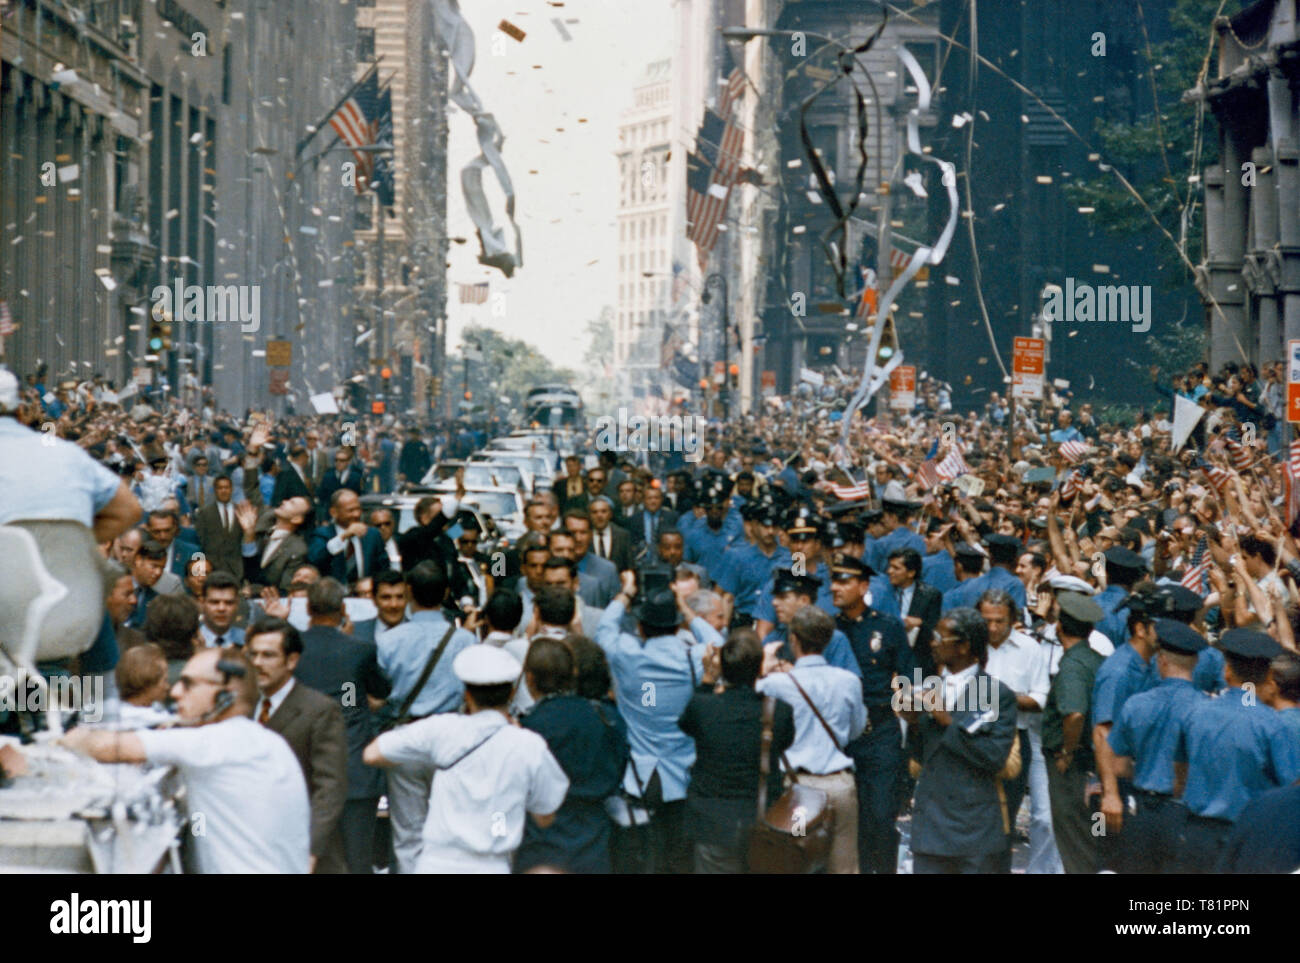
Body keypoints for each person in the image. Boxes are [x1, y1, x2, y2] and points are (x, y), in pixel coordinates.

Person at [60, 646, 311, 874]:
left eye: (188, 684)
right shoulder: (265, 743)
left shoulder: (218, 741)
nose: (176, 692)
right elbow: (204, 823)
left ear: (225, 696)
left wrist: (59, 740)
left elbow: (104, 746)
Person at [363, 645, 569, 873]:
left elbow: (372, 754)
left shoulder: (442, 729)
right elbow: (544, 815)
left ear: (467, 694)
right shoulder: (529, 745)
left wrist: (430, 757)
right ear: (511, 693)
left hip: (436, 864)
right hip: (492, 864)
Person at [595, 574, 717, 874]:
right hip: (683, 772)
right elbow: (719, 643)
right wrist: (687, 610)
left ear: (640, 626)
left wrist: (626, 592)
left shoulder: (626, 654)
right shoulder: (692, 657)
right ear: (678, 626)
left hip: (640, 774)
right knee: (679, 856)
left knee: (643, 855)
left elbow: (604, 629)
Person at [373, 562, 476, 873]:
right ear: (445, 593)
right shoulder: (464, 641)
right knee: (453, 827)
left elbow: (373, 693)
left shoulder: (388, 641)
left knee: (408, 833)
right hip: (451, 740)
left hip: (407, 738)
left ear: (409, 593)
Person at [1172, 628, 1300, 873]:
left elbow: (1180, 772)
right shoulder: (1272, 725)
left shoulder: (1195, 713)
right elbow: (1290, 789)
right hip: (1251, 837)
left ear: (1227, 671)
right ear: (1269, 675)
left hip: (1196, 834)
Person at [905, 608, 1020, 873]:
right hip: (931, 825)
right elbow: (921, 758)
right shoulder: (928, 688)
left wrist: (948, 722)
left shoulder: (994, 693)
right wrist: (912, 724)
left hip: (974, 829)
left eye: (938, 637)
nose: (932, 642)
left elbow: (993, 757)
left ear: (964, 647)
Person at [755, 605, 866, 873]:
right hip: (840, 784)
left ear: (793, 639)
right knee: (845, 867)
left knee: (796, 862)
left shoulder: (776, 684)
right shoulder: (849, 681)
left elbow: (746, 699)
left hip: (798, 790)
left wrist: (764, 665)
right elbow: (856, 731)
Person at [294, 581, 392, 875]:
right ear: (344, 610)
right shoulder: (359, 650)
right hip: (353, 769)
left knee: (309, 858)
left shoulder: (292, 647)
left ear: (308, 609)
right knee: (357, 858)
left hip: (306, 769)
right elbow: (382, 689)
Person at [678, 629, 794, 873]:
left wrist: (708, 678)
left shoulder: (703, 706)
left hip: (713, 822)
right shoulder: (780, 711)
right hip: (763, 819)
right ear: (759, 668)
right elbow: (784, 743)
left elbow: (686, 724)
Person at [827, 553, 912, 874]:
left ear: (863, 586)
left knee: (880, 816)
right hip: (839, 735)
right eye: (834, 580)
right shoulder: (827, 629)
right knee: (846, 820)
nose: (836, 587)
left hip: (879, 732)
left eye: (845, 581)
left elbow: (908, 676)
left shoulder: (887, 626)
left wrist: (908, 707)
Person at [515, 636, 629, 873]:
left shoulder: (529, 728)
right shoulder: (607, 718)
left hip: (543, 843)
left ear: (529, 680)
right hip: (594, 841)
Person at [247, 618, 349, 874]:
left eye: (268, 655)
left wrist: (311, 850)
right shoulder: (241, 707)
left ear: (291, 661)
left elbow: (330, 787)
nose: (258, 663)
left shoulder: (320, 710)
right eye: (253, 654)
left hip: (300, 847)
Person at [1106, 619, 1207, 873]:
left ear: (1161, 660)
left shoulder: (1135, 704)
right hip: (1187, 816)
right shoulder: (1207, 709)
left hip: (1141, 813)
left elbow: (1118, 765)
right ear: (1194, 663)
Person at [978, 589, 1051, 871]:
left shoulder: (1029, 649)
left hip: (1012, 741)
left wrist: (1000, 698)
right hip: (971, 739)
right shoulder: (968, 645)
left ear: (1012, 620)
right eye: (987, 621)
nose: (993, 628)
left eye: (1000, 622)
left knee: (1003, 821)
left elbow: (1040, 699)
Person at [1041, 591, 1106, 874]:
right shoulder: (1095, 659)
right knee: (1095, 837)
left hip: (1074, 767)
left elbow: (1075, 713)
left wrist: (1066, 752)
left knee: (1075, 842)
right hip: (1095, 763)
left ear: (1059, 626)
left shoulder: (1072, 666)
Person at [308, 489, 391, 583]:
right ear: (333, 512)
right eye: (350, 510)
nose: (356, 514)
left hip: (365, 594)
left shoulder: (372, 535)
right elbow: (314, 560)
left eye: (358, 509)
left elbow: (383, 569)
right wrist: (343, 537)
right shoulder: (322, 534)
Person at [237, 495, 311, 591]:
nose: (284, 501)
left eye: (292, 503)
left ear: (296, 519)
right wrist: (249, 535)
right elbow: (250, 569)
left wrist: (256, 590)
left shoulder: (297, 549)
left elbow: (285, 589)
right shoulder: (261, 528)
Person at [193, 475, 244, 579]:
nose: (223, 491)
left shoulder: (241, 511)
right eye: (220, 488)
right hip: (212, 567)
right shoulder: (204, 513)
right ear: (215, 490)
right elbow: (200, 541)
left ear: (232, 489)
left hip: (237, 569)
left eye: (226, 487)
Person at [198, 571, 245, 647]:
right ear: (202, 603)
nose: (221, 608)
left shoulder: (248, 642)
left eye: (229, 603)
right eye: (214, 602)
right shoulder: (189, 642)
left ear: (237, 604)